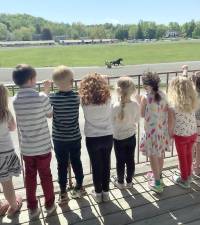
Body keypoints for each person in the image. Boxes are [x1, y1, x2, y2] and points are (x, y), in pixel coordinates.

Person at [12, 64, 56, 219]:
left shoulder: (16, 100)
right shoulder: (41, 97)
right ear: (31, 80)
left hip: (27, 149)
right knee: (46, 175)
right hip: (43, 148)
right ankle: (50, 204)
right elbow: (49, 114)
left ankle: (32, 207)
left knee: (30, 177)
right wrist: (46, 91)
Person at [43, 65, 85, 206]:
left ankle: (62, 192)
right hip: (74, 137)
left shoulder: (53, 98)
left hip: (59, 139)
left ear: (55, 84)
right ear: (72, 82)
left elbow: (47, 112)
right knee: (76, 162)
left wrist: (46, 91)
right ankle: (79, 186)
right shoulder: (76, 97)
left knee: (61, 165)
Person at [79, 73, 113, 203]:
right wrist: (102, 80)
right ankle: (106, 192)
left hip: (93, 136)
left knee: (96, 165)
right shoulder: (108, 98)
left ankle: (98, 193)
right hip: (107, 135)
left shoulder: (84, 100)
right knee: (106, 164)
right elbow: (105, 88)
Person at [139, 72, 170, 193]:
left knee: (153, 156)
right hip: (162, 130)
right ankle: (159, 176)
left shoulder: (145, 98)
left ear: (146, 85)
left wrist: (139, 101)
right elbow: (166, 110)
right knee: (160, 154)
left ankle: (157, 183)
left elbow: (141, 114)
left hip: (151, 133)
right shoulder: (163, 94)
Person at [168, 76, 197, 188]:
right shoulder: (192, 100)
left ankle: (184, 180)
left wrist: (170, 134)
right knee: (189, 154)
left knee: (182, 157)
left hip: (181, 135)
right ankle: (188, 175)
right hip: (192, 133)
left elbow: (171, 122)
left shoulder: (173, 105)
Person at [111, 77, 139, 189]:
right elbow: (136, 120)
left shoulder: (114, 105)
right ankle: (129, 182)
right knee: (130, 160)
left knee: (120, 161)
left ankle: (120, 182)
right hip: (131, 137)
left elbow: (111, 120)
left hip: (118, 137)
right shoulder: (135, 104)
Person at [0, 84, 22, 217]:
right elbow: (13, 128)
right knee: (7, 183)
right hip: (5, 153)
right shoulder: (6, 113)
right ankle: (13, 206)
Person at [189, 72, 200, 175]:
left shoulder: (193, 94)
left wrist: (185, 70)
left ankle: (191, 166)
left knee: (193, 145)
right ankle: (197, 167)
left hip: (194, 122)